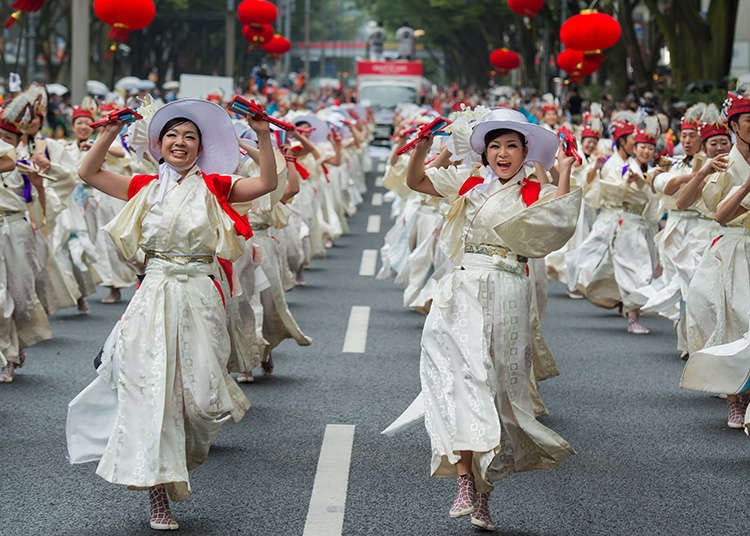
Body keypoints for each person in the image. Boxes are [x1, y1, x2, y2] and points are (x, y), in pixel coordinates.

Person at [66, 98, 278, 530]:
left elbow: (266, 184)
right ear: (159, 144)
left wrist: (261, 134)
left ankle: (175, 460)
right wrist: (107, 132)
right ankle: (158, 494)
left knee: (200, 399)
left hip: (201, 293)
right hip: (155, 292)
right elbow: (87, 173)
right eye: (172, 136)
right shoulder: (145, 185)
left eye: (189, 137)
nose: (179, 142)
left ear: (201, 148)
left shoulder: (217, 186)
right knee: (151, 393)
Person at [386, 108, 581, 531]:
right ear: (485, 152)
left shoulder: (533, 192)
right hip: (461, 289)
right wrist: (421, 150)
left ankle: (485, 490)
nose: (503, 153)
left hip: (509, 288)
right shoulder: (468, 184)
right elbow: (416, 181)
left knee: (499, 392)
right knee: (460, 382)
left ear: (526, 152)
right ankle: (463, 482)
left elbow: (557, 225)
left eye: (511, 145)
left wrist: (562, 172)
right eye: (495, 145)